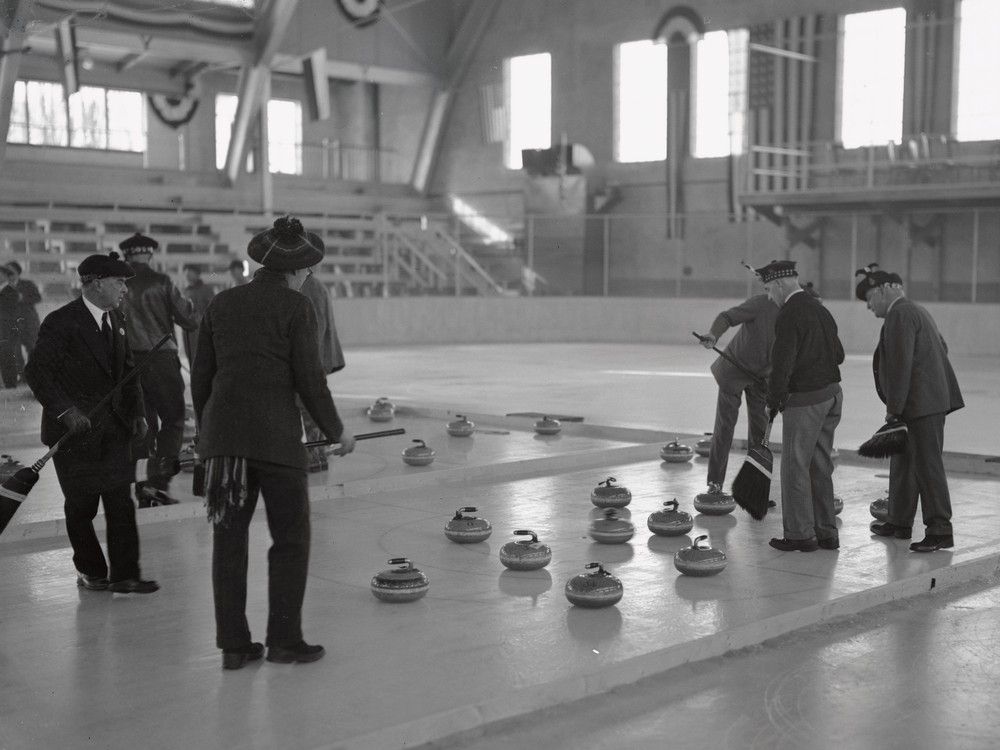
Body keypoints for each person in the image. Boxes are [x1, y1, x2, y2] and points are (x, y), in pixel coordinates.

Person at [191, 215, 356, 670]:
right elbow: (310, 380)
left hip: (225, 448)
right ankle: (283, 641)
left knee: (228, 543)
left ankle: (234, 647)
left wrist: (208, 435)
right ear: (297, 270)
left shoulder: (221, 303)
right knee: (290, 540)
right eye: (308, 271)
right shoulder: (296, 307)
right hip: (277, 442)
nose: (308, 278)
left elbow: (201, 379)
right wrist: (336, 430)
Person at [23, 252, 158, 593]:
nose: (124, 289)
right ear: (97, 283)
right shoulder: (61, 321)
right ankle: (91, 572)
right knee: (82, 506)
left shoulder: (118, 319)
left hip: (114, 429)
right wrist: (66, 412)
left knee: (121, 503)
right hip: (75, 433)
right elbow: (37, 373)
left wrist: (138, 412)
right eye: (119, 282)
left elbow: (128, 372)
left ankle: (125, 575)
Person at [856, 264, 964, 552]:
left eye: (869, 298)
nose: (868, 306)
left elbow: (900, 365)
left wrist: (894, 409)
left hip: (920, 406)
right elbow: (942, 346)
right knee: (903, 463)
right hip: (922, 402)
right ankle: (899, 522)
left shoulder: (900, 314)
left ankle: (940, 529)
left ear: (883, 290)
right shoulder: (916, 310)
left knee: (928, 466)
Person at [761, 259, 844, 552]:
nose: (769, 296)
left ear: (780, 284)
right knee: (820, 466)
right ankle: (826, 533)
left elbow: (782, 364)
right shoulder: (820, 310)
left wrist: (772, 401)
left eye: (769, 289)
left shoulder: (789, 314)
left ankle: (799, 535)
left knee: (795, 466)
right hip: (832, 396)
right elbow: (839, 355)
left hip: (806, 401)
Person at [118, 233, 197, 507]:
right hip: (161, 359)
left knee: (142, 426)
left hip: (128, 363)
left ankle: (143, 487)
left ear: (127, 255)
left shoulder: (118, 284)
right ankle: (159, 484)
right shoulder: (162, 281)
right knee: (173, 420)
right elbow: (188, 319)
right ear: (149, 254)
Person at [697, 291, 778, 495]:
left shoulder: (796, 313)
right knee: (725, 427)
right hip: (734, 371)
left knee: (760, 433)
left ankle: (755, 489)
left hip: (761, 378)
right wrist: (713, 334)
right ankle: (715, 483)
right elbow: (727, 317)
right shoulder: (761, 303)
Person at [296, 271, 346, 472]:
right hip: (317, 358)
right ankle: (318, 454)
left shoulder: (309, 289)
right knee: (309, 406)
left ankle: (316, 455)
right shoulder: (314, 286)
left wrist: (308, 363)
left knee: (309, 408)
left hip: (314, 359)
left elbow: (316, 329)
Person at [6, 261, 42, 379]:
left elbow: (38, 298)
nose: (9, 275)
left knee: (32, 349)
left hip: (29, 323)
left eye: (11, 272)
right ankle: (22, 376)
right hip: (12, 325)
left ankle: (33, 376)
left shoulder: (27, 284)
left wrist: (23, 298)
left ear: (18, 272)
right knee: (15, 351)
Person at [181, 263, 216, 367]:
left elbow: (213, 309)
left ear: (197, 274)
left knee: (202, 359)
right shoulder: (185, 291)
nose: (187, 274)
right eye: (186, 272)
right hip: (188, 330)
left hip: (202, 329)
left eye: (190, 272)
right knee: (191, 358)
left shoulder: (206, 290)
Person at [0, 264, 19, 388]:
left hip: (7, 328)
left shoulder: (11, 291)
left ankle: (10, 383)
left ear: (6, 276)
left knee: (7, 354)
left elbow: (10, 312)